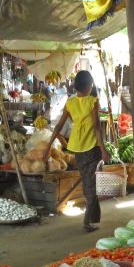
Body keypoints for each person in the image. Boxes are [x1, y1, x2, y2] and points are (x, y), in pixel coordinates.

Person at [47, 70, 110, 232]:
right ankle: (88, 221)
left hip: (77, 148)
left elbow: (59, 126)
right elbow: (97, 126)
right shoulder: (93, 101)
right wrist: (103, 149)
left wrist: (48, 146)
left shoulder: (70, 102)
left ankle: (93, 219)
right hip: (92, 147)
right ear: (89, 86)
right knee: (92, 185)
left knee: (89, 182)